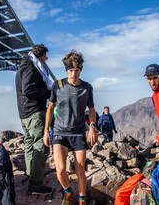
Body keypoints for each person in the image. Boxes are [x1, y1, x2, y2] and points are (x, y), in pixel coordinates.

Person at [43, 50, 98, 205]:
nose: (73, 74)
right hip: (60, 132)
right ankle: (68, 192)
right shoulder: (58, 85)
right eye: (70, 70)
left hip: (78, 133)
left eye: (76, 70)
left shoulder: (87, 88)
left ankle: (81, 199)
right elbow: (50, 107)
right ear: (66, 70)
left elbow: (92, 109)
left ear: (81, 70)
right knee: (60, 170)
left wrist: (92, 127)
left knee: (80, 169)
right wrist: (46, 130)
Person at [15, 44, 53, 195]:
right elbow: (28, 90)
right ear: (41, 55)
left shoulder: (24, 65)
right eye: (45, 56)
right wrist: (49, 93)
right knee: (42, 146)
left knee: (30, 144)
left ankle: (32, 175)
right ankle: (36, 185)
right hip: (34, 112)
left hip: (24, 113)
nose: (46, 59)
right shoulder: (31, 67)